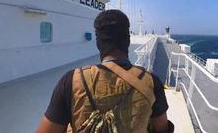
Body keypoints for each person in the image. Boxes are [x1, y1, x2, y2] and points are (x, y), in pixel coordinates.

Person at [36, 10, 174, 133]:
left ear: (98, 43)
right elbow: (162, 128)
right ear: (127, 40)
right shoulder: (151, 82)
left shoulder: (71, 81)